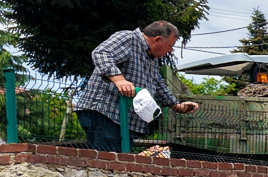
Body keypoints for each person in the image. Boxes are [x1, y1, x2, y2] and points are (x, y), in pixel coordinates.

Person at [78, 22, 198, 152]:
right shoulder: (129, 38)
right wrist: (119, 80)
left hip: (122, 119)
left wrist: (177, 106)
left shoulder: (151, 58)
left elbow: (158, 83)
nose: (170, 50)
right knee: (108, 160)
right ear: (157, 40)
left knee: (121, 161)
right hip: (104, 112)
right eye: (170, 46)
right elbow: (101, 53)